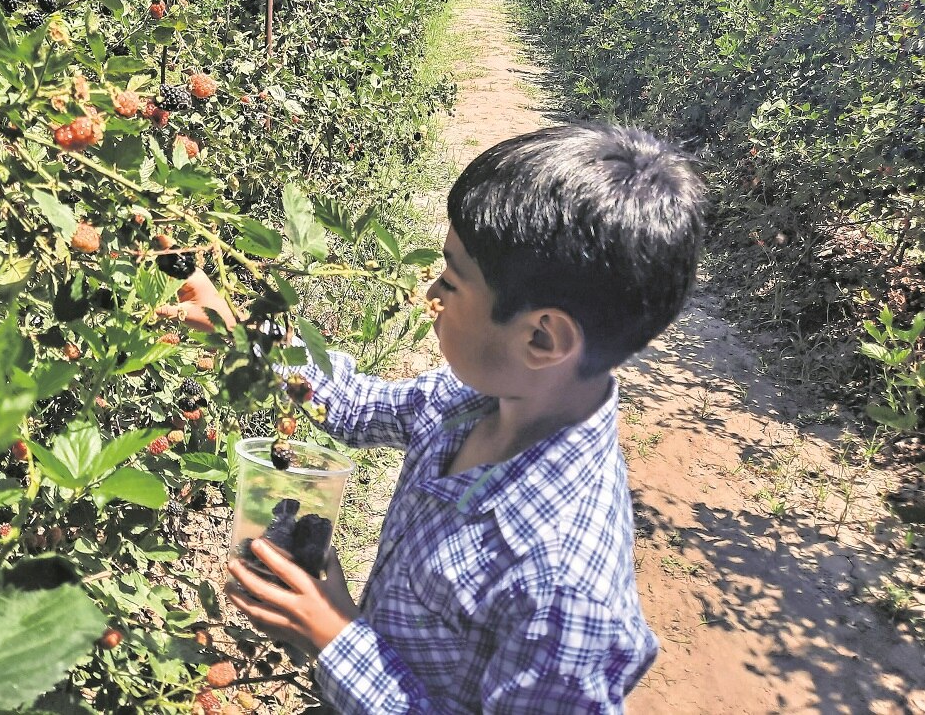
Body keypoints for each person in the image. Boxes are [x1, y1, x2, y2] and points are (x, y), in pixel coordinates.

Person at [164, 124, 706, 713]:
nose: (429, 291)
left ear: (543, 336)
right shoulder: (468, 401)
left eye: (450, 279)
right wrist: (245, 333)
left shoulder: (563, 592)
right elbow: (349, 403)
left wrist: (337, 637)